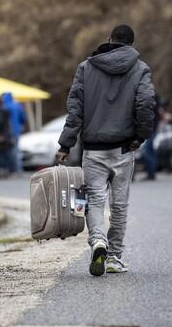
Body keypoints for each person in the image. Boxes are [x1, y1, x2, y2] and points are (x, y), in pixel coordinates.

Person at [56, 24, 156, 276]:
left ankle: (98, 241)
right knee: (120, 205)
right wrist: (141, 136)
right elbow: (145, 103)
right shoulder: (140, 68)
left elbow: (75, 110)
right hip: (123, 148)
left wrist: (66, 144)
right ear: (132, 44)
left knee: (95, 201)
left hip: (93, 150)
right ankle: (113, 257)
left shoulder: (86, 68)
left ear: (109, 39)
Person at [1, 92, 26, 174]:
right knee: (15, 150)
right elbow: (23, 117)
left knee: (9, 151)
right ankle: (18, 169)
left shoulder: (4, 106)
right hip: (16, 130)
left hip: (7, 131)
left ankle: (12, 169)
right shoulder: (17, 105)